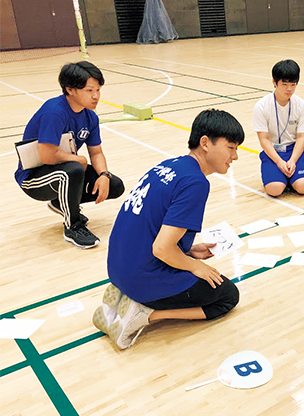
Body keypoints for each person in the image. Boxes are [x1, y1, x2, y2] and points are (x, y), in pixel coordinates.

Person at [93, 109, 244, 350]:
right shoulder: (196, 182)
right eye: (231, 147)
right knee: (227, 296)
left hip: (118, 268)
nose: (235, 156)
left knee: (195, 271)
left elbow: (153, 230)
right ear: (205, 143)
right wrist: (197, 266)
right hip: (142, 277)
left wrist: (189, 251)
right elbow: (162, 248)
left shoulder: (169, 165)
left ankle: (125, 296)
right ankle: (145, 312)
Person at [14, 61, 124, 249]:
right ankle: (73, 226)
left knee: (114, 185)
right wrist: (78, 159)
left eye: (98, 90)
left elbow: (96, 152)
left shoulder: (90, 116)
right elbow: (47, 156)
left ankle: (60, 202)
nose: (96, 96)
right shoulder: (54, 112)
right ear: (70, 90)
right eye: (89, 91)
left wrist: (104, 175)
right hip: (34, 177)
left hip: (63, 170)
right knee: (73, 170)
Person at [253, 59, 304, 197]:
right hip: (273, 151)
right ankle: (282, 177)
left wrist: (292, 160)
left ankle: (291, 176)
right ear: (274, 82)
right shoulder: (262, 106)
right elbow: (264, 139)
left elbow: (301, 137)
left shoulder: (302, 106)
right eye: (284, 84)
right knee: (274, 189)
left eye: (293, 84)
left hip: (294, 150)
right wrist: (279, 162)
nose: (289, 89)